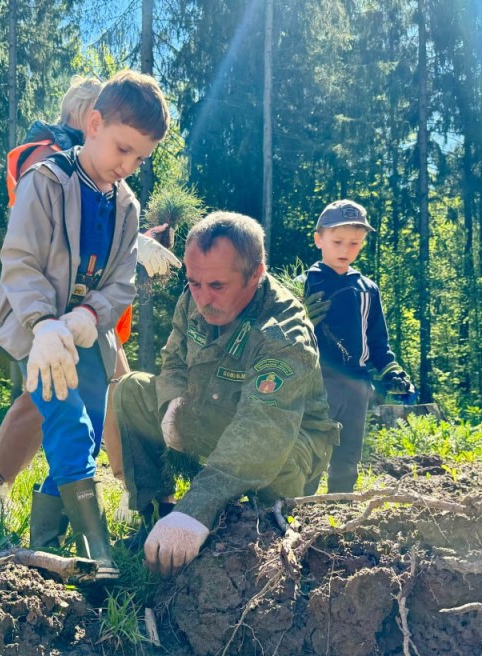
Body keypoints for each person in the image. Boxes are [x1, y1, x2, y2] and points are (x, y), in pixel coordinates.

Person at [0, 77, 179, 531]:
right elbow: (20, 260)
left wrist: (89, 316)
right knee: (66, 421)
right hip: (35, 325)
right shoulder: (46, 179)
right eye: (123, 150)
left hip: (88, 331)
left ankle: (49, 532)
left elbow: (121, 281)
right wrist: (44, 324)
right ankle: (86, 535)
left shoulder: (127, 204)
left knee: (95, 424)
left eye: (140, 158)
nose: (129, 165)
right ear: (93, 124)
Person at [113, 211, 340, 577]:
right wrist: (172, 407)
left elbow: (261, 433)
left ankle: (250, 529)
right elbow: (172, 360)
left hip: (284, 442)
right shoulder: (195, 296)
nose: (202, 298)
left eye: (217, 286)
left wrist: (196, 509)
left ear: (256, 273)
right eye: (194, 283)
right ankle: (156, 517)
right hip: (221, 413)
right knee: (135, 390)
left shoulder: (281, 334)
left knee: (256, 509)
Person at [299, 199, 413, 495]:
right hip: (315, 383)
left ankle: (341, 509)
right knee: (311, 451)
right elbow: (280, 338)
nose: (345, 250)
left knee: (348, 455)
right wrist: (300, 319)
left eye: (355, 243)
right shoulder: (302, 285)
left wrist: (392, 371)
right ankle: (299, 509)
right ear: (318, 239)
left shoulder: (367, 289)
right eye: (337, 241)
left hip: (357, 385)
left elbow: (378, 342)